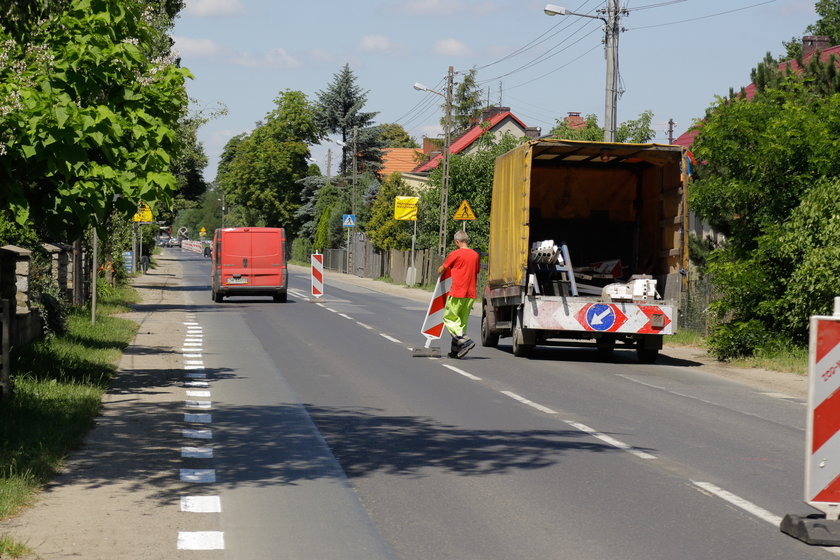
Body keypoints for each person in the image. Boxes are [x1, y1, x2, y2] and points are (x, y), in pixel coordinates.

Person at [438, 230, 480, 359]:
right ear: (466, 240)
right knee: (461, 322)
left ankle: (465, 341)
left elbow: (443, 268)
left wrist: (439, 270)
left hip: (457, 291)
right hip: (471, 293)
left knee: (449, 318)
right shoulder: (475, 255)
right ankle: (455, 352)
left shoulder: (455, 254)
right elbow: (476, 271)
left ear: (457, 242)